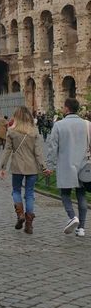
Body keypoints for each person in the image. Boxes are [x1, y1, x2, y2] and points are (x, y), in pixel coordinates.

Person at [0, 106, 46, 234]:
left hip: (17, 166)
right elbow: (38, 152)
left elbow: (7, 150)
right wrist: (44, 166)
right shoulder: (34, 131)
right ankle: (29, 225)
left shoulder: (11, 131)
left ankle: (20, 215)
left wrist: (3, 167)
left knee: (16, 191)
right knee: (30, 194)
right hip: (32, 167)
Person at [46, 98, 90, 236]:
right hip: (83, 166)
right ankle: (81, 228)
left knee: (65, 194)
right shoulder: (87, 124)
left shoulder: (59, 125)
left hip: (66, 165)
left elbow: (53, 148)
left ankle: (72, 217)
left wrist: (50, 166)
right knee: (81, 195)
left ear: (66, 108)